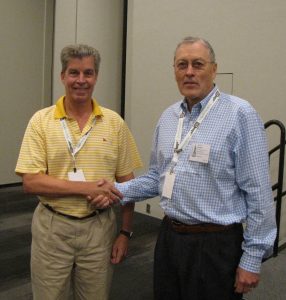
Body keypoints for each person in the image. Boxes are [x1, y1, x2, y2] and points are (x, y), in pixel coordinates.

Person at [92, 36, 277, 299]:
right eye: (182, 65)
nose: (189, 72)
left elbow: (259, 193)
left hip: (216, 244)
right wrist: (117, 190)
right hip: (170, 238)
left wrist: (252, 258)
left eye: (197, 64)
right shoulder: (169, 118)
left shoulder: (240, 115)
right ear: (174, 71)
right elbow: (158, 176)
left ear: (213, 69)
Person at [15, 44, 142, 300]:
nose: (81, 80)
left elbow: (129, 183)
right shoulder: (41, 121)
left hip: (100, 229)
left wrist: (125, 233)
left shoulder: (114, 123)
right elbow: (31, 181)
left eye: (88, 73)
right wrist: (88, 187)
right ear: (63, 76)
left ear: (96, 76)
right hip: (53, 228)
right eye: (74, 73)